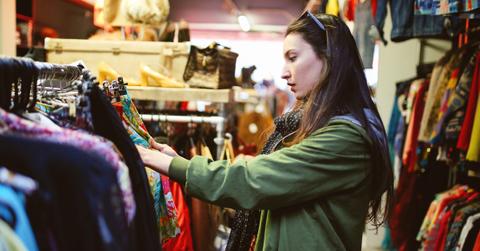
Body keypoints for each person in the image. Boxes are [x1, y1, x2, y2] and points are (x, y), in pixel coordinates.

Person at [137, 12, 394, 251]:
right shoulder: (319, 126)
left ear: (329, 58)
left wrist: (173, 165)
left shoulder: (344, 138)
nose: (284, 72)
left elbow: (253, 180)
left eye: (293, 58)